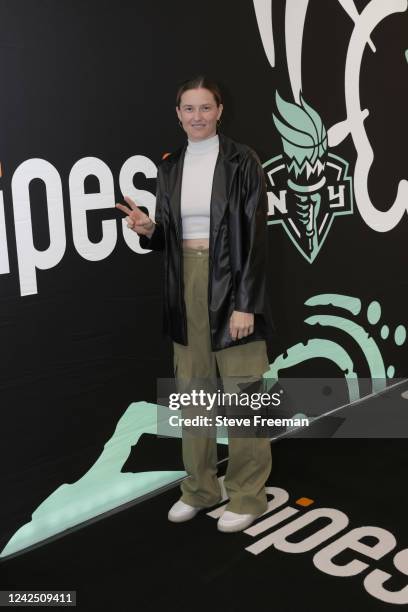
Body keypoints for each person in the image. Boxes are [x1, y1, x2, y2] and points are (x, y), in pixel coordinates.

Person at [116, 75, 272, 532]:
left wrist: (246, 303)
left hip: (233, 283)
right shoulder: (170, 167)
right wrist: (149, 230)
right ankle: (201, 489)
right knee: (194, 394)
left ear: (220, 111)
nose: (197, 116)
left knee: (242, 394)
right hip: (185, 284)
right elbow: (169, 235)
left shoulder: (243, 160)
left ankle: (247, 495)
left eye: (206, 108)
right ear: (178, 114)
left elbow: (255, 238)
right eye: (189, 108)